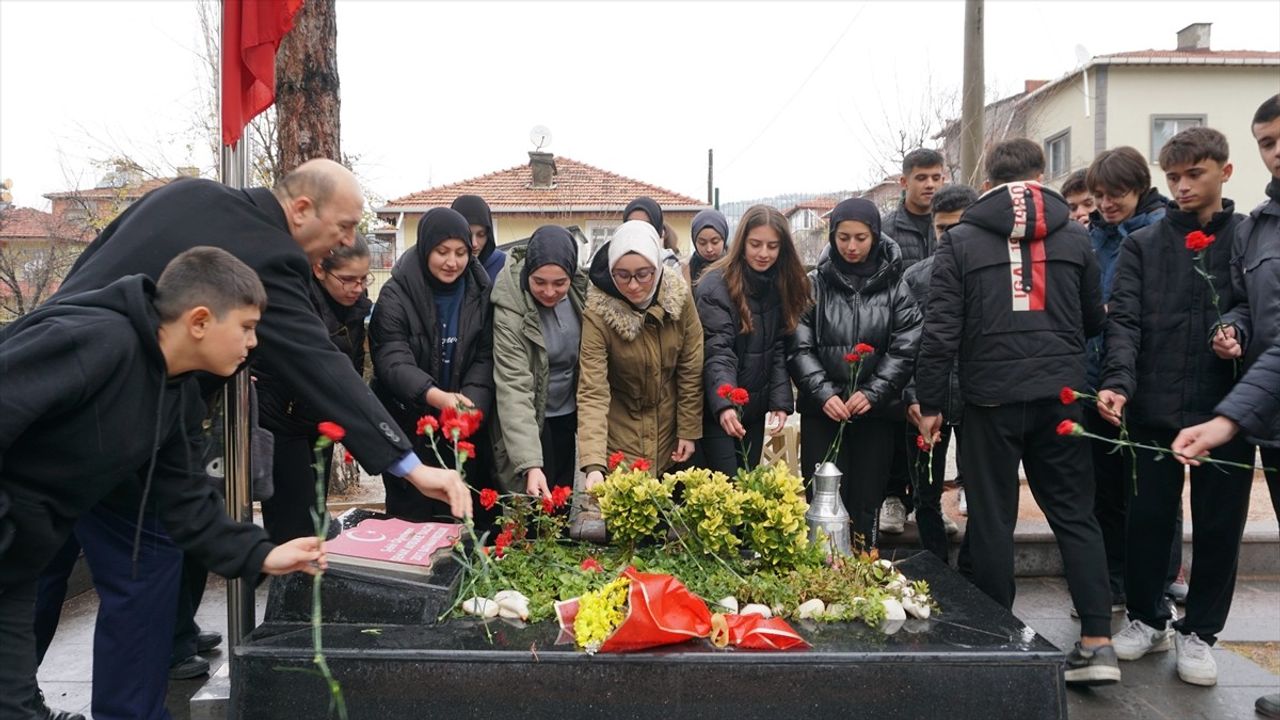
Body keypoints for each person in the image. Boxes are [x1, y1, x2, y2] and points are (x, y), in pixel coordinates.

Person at [29, 160, 468, 719]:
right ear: (301, 210)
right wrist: (409, 464)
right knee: (145, 568)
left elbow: (88, 274)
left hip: (57, 386)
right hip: (116, 422)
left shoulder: (185, 195)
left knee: (36, 567)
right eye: (345, 226)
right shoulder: (270, 252)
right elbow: (317, 360)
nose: (349, 241)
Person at [0, 247, 324, 720]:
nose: (253, 343)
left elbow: (188, 502)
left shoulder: (177, 399)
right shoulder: (92, 341)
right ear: (199, 321)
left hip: (17, 565)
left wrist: (265, 554)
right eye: (247, 327)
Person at [915, 138, 1119, 685]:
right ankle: (1098, 642)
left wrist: (930, 404)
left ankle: (998, 636)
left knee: (993, 519)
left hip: (990, 400)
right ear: (1040, 174)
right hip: (1061, 396)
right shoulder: (1075, 234)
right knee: (1076, 514)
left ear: (988, 182)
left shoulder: (959, 241)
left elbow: (940, 334)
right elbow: (1094, 321)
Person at [1097, 126, 1252, 687]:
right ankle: (1146, 617)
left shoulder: (1248, 236)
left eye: (1195, 175)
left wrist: (1234, 329)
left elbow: (1253, 307)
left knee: (1218, 528)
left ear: (1224, 172)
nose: (1183, 187)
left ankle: (1201, 633)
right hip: (1153, 407)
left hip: (1227, 410)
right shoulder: (1144, 243)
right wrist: (1118, 382)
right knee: (1148, 520)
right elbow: (1125, 322)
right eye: (1174, 178)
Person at [1178, 94, 1280, 717]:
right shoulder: (1260, 227)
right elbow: (1249, 304)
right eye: (1267, 141)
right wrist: (1235, 329)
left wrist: (1225, 419)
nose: (1277, 152)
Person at [789, 197, 922, 552]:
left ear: (875, 236)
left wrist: (874, 392)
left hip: (875, 412)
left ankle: (864, 564)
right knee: (823, 496)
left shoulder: (896, 286)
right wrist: (825, 394)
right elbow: (799, 346)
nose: (851, 246)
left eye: (860, 238)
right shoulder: (814, 285)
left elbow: (906, 345)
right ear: (832, 236)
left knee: (867, 497)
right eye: (843, 237)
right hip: (824, 411)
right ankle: (821, 570)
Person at [1084, 146, 1182, 611]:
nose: (1106, 204)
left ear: (1140, 187)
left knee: (1150, 491)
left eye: (1116, 194)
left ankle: (1160, 580)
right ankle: (1115, 579)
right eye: (1099, 195)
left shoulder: (1165, 231)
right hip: (1095, 376)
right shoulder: (1090, 238)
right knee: (1104, 490)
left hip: (1148, 379)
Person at [369, 207, 495, 524]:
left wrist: (470, 404)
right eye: (442, 252)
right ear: (426, 248)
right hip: (408, 421)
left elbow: (485, 354)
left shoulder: (480, 291)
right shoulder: (396, 293)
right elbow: (392, 359)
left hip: (460, 427)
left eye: (461, 252)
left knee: (463, 516)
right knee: (412, 517)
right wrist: (433, 395)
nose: (452, 262)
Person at [258, 235, 375, 544]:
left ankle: (312, 576)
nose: (357, 288)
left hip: (319, 417)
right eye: (348, 279)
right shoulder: (298, 303)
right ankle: (290, 582)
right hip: (281, 417)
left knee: (317, 504)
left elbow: (351, 365)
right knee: (293, 513)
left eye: (364, 279)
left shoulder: (354, 310)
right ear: (320, 270)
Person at [578, 220, 703, 488]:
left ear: (657, 268)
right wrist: (594, 465)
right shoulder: (598, 314)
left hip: (670, 435)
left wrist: (688, 430)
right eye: (622, 275)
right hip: (621, 436)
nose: (633, 285)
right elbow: (593, 391)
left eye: (643, 274)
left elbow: (690, 368)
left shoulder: (680, 299)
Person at [695, 205, 808, 475]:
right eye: (755, 244)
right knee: (725, 492)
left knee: (747, 485)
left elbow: (777, 348)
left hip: (754, 408)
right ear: (741, 242)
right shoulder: (715, 285)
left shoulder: (779, 284)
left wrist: (780, 402)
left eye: (772, 246)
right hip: (716, 410)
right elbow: (717, 351)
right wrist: (725, 405)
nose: (763, 254)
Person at [902, 184, 979, 561]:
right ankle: (936, 569)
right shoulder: (915, 279)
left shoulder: (990, 276)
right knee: (925, 494)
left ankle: (970, 571)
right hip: (928, 402)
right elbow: (903, 344)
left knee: (981, 490)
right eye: (942, 229)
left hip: (980, 401)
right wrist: (913, 395)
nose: (949, 237)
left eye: (958, 228)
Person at [489, 225, 588, 502]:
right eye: (539, 282)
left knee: (562, 500)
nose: (549, 291)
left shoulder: (582, 294)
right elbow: (514, 388)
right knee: (534, 502)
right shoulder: (510, 311)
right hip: (531, 416)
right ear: (526, 274)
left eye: (560, 284)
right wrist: (531, 463)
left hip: (567, 414)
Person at [879, 149, 946, 535]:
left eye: (937, 177)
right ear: (905, 182)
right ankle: (893, 498)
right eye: (922, 178)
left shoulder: (950, 224)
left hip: (942, 338)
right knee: (896, 421)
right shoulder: (889, 230)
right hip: (899, 337)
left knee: (936, 425)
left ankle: (929, 502)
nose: (930, 185)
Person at [452, 194, 507, 282]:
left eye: (481, 235)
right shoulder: (444, 267)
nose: (474, 244)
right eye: (468, 235)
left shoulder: (504, 266)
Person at [687, 208, 729, 285]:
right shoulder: (686, 270)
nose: (709, 249)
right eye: (702, 243)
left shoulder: (736, 266)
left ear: (724, 239)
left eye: (715, 242)